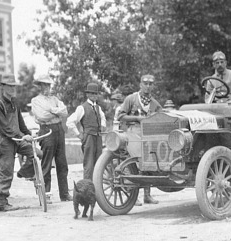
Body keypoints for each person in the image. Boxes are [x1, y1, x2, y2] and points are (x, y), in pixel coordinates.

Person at [116, 74, 163, 205]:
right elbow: (121, 116)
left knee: (149, 163)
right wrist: (136, 118)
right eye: (145, 83)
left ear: (153, 86)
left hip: (148, 136)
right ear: (140, 85)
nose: (148, 86)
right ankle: (132, 196)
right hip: (132, 133)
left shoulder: (155, 104)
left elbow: (161, 119)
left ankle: (147, 195)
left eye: (150, 84)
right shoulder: (131, 99)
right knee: (133, 164)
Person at [0, 74, 36, 212]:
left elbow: (20, 123)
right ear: (2, 87)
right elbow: (5, 127)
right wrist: (21, 136)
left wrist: (28, 134)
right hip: (5, 141)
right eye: (9, 86)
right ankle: (2, 202)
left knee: (36, 154)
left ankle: (23, 172)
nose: (12, 88)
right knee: (6, 171)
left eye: (13, 86)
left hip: (18, 140)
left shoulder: (14, 102)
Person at [30, 74, 72, 203]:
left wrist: (52, 110)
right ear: (40, 86)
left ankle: (64, 194)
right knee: (47, 163)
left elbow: (65, 112)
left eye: (48, 85)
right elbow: (42, 116)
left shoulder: (55, 99)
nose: (46, 87)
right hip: (46, 130)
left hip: (59, 129)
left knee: (62, 163)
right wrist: (56, 112)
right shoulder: (36, 100)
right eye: (44, 84)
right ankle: (46, 194)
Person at [66, 82, 107, 181]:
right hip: (88, 138)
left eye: (96, 94)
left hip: (98, 138)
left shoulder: (98, 107)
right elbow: (70, 122)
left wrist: (102, 125)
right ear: (87, 94)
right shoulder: (82, 107)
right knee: (89, 164)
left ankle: (97, 188)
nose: (94, 96)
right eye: (92, 94)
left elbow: (103, 118)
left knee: (98, 164)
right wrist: (79, 134)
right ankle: (87, 188)